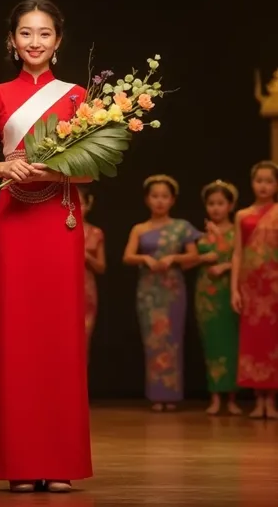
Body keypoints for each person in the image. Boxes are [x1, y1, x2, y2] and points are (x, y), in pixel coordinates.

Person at [0, 0, 93, 493]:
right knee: (15, 336)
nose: (35, 42)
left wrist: (59, 167)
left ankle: (59, 460)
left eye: (44, 33)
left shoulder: (77, 96)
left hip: (58, 219)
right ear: (12, 41)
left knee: (60, 335)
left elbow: (90, 170)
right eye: (26, 33)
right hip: (14, 224)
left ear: (58, 41)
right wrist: (7, 167)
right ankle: (18, 463)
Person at [123, 175, 199, 411]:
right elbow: (127, 256)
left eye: (164, 196)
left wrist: (174, 258)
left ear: (172, 200)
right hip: (148, 290)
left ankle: (172, 395)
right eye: (155, 196)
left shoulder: (182, 227)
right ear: (147, 199)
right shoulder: (140, 228)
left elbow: (194, 256)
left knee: (172, 341)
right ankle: (156, 395)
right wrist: (145, 258)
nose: (159, 201)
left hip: (172, 289)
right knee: (153, 341)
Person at [231, 160, 278, 419]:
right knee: (254, 342)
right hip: (251, 288)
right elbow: (237, 253)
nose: (264, 185)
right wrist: (234, 290)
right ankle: (258, 400)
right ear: (252, 183)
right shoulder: (242, 215)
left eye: (269, 181)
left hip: (274, 288)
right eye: (259, 180)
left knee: (273, 342)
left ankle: (270, 401)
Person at [194, 180, 240, 416]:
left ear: (230, 205)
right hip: (206, 295)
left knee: (231, 344)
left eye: (220, 203)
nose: (216, 208)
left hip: (230, 293)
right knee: (211, 345)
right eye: (211, 204)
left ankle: (232, 398)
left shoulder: (237, 231)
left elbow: (244, 259)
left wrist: (225, 266)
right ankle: (214, 397)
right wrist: (203, 258)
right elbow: (188, 260)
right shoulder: (202, 233)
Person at [78, 185, 106, 361]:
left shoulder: (96, 233)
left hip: (85, 292)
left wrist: (86, 256)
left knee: (82, 342)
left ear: (88, 205)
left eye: (79, 204)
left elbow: (102, 267)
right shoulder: (56, 231)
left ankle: (78, 388)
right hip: (58, 291)